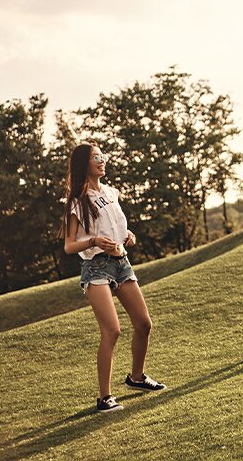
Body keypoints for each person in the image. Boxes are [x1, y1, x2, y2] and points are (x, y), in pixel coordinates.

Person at [61, 143, 166, 413]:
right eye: (96, 157)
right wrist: (94, 241)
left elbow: (117, 226)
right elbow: (69, 245)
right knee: (112, 330)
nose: (102, 160)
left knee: (144, 324)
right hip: (96, 267)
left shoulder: (110, 192)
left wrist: (128, 236)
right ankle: (105, 397)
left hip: (121, 263)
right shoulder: (78, 201)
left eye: (103, 156)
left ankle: (137, 378)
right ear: (84, 164)